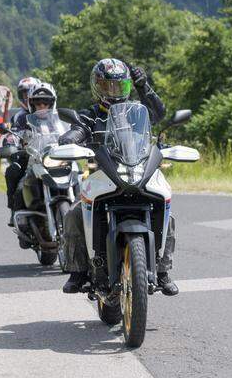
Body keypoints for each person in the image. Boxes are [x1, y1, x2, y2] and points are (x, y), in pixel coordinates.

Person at [58, 58, 176, 296]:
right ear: (97, 87)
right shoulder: (91, 114)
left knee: (168, 213)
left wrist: (144, 87)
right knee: (73, 214)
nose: (113, 91)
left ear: (127, 86)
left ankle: (162, 271)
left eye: (119, 86)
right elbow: (78, 128)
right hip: (103, 175)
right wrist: (71, 139)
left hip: (138, 170)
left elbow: (158, 114)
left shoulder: (136, 111)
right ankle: (78, 271)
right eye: (107, 86)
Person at [2, 76, 42, 221]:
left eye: (30, 92)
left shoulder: (49, 112)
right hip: (29, 156)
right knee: (13, 171)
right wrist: (9, 142)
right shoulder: (19, 116)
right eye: (24, 94)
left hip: (49, 155)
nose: (27, 97)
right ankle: (14, 209)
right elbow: (14, 133)